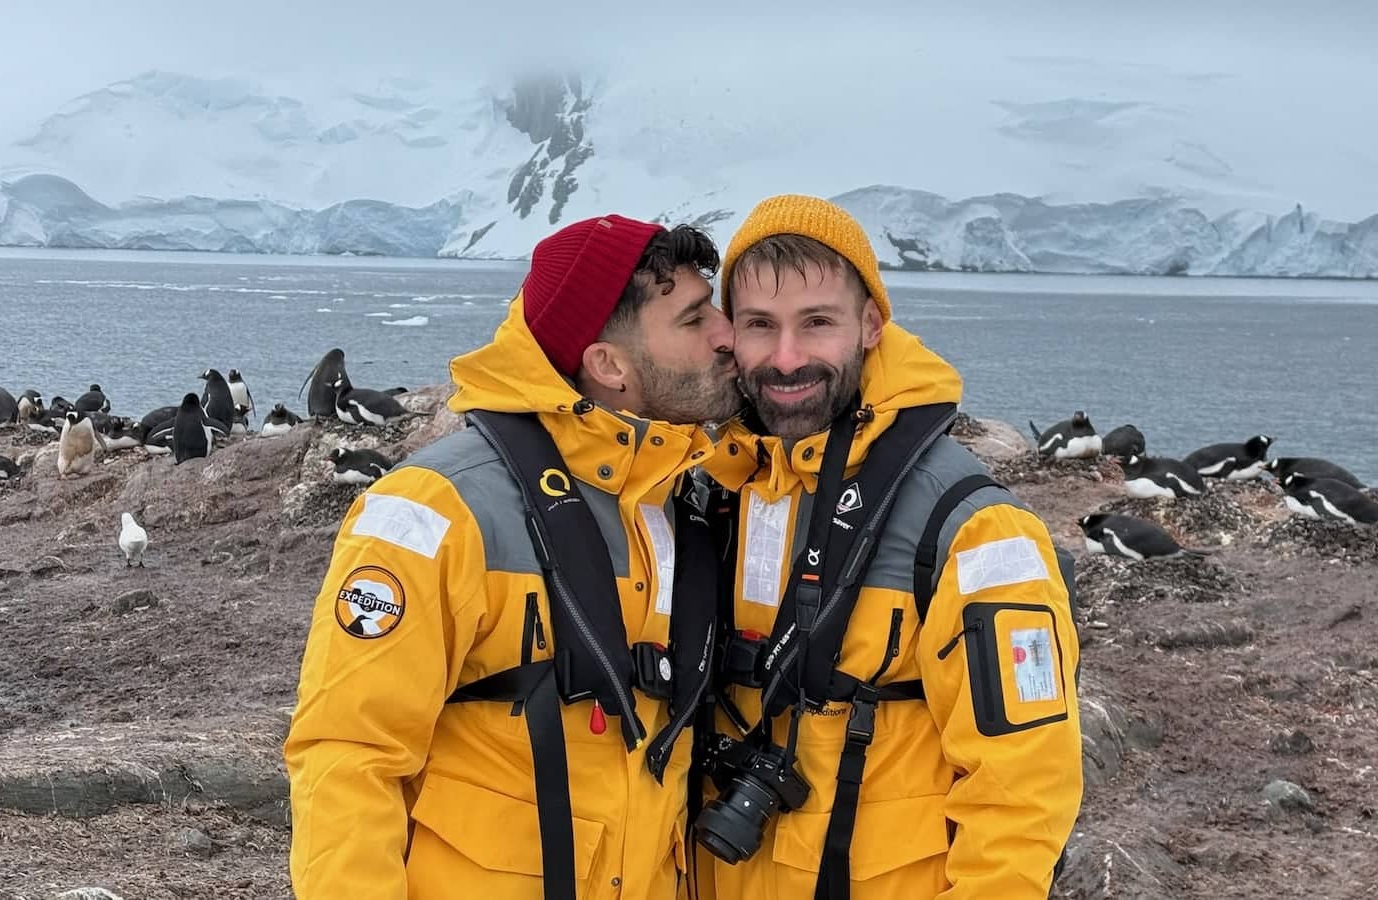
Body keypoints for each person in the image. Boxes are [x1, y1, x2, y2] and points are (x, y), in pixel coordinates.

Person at [284, 213, 744, 900]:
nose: (727, 334)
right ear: (608, 365)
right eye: (693, 318)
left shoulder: (682, 500)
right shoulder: (433, 512)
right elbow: (348, 757)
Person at [688, 195, 1083, 899]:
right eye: (759, 326)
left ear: (871, 323)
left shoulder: (973, 528)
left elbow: (1024, 788)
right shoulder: (716, 490)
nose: (786, 358)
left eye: (817, 323)